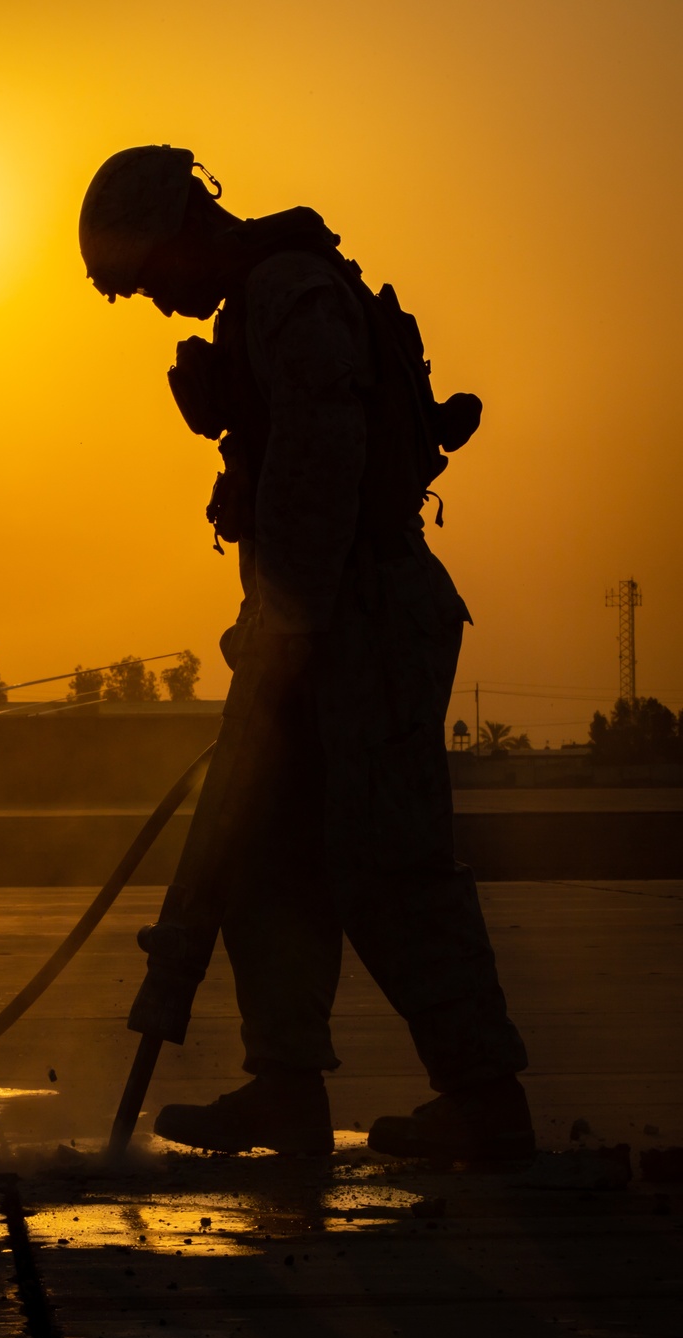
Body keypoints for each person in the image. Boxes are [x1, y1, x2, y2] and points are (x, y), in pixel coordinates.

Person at [78, 146, 534, 1164]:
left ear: (186, 227)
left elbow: (324, 457)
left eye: (150, 274)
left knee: (387, 863)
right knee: (268, 857)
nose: (155, 303)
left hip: (360, 619)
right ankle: (284, 1089)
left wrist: (286, 619)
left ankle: (486, 1104)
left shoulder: (289, 292)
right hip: (318, 619)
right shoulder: (256, 302)